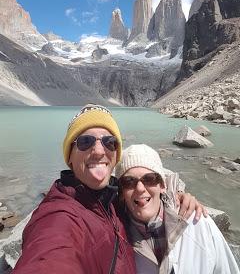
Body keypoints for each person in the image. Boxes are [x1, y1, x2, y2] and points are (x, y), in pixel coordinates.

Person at [12, 104, 205, 274]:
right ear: (69, 156)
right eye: (85, 141)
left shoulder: (113, 198)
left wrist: (173, 198)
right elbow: (48, 256)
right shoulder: (58, 217)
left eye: (109, 142)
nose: (98, 151)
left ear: (115, 154)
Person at [116, 144, 240, 274]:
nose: (140, 188)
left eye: (149, 179)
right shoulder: (115, 235)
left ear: (162, 185)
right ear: (122, 192)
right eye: (129, 181)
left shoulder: (198, 223)